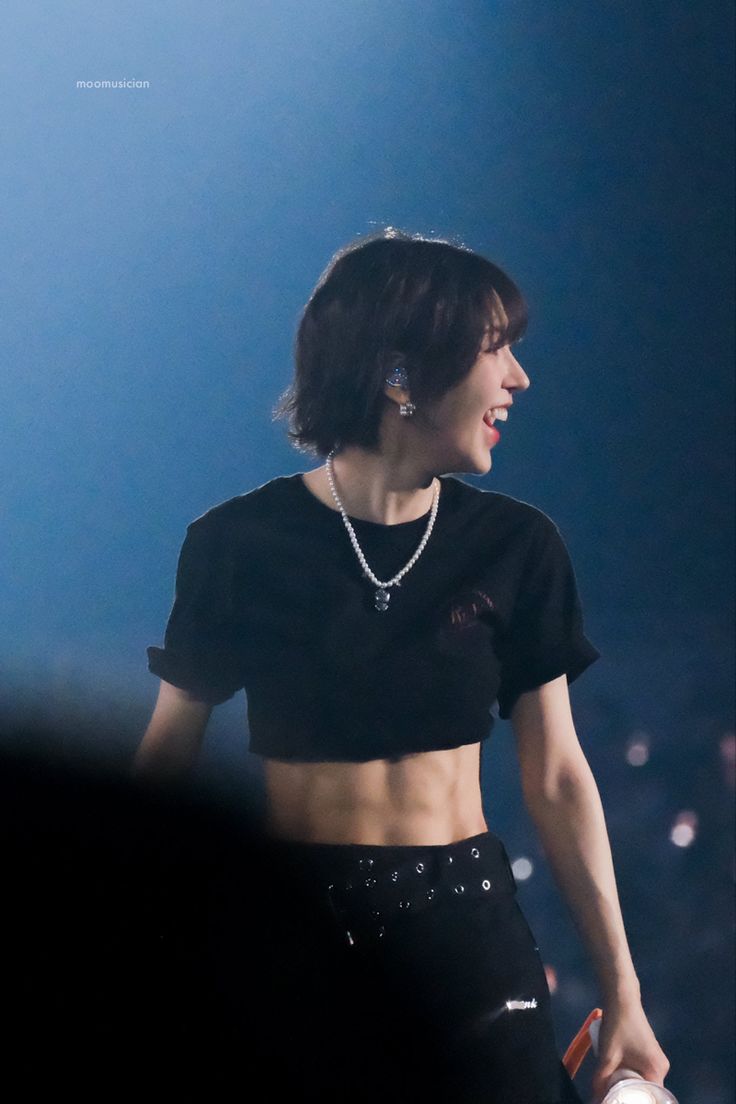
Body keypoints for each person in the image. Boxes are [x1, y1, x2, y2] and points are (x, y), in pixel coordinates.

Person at [134, 227, 671, 1102]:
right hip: (294, 931)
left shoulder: (516, 545)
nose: (518, 380)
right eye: (496, 348)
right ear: (399, 373)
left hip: (467, 928)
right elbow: (164, 762)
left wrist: (623, 991)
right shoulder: (238, 544)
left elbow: (559, 778)